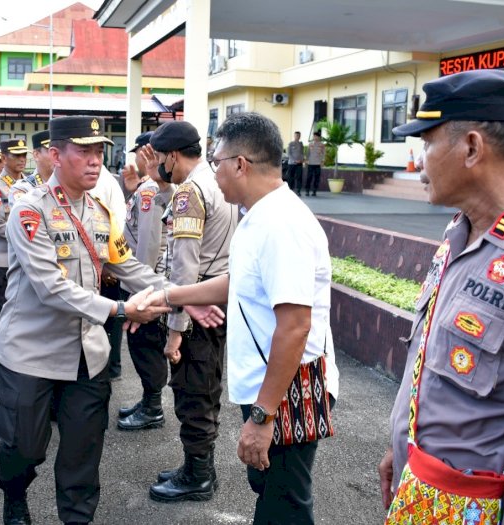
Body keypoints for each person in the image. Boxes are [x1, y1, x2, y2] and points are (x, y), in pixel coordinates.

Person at [377, 69, 504, 524]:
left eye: (427, 142)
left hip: (482, 506)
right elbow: (427, 356)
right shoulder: (461, 232)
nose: (419, 161)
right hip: (423, 490)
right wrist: (402, 444)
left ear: (471, 147)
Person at [139, 112, 340, 523]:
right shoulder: (259, 214)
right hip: (274, 383)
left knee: (283, 505)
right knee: (268, 488)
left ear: (240, 164)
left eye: (216, 163)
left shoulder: (283, 225)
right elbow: (238, 282)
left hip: (290, 386)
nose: (213, 172)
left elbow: (295, 325)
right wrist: (170, 295)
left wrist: (263, 416)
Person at [0, 115, 170, 525]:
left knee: (82, 453)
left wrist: (178, 296)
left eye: (98, 152)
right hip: (30, 354)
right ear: (55, 155)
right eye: (83, 151)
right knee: (25, 449)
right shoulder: (29, 212)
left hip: (86, 356)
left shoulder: (102, 212)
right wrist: (122, 310)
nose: (95, 161)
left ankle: (77, 518)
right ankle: (14, 496)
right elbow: (50, 288)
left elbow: (128, 267)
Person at [147, 120, 238, 503]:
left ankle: (199, 476)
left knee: (192, 390)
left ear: (171, 155)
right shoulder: (214, 182)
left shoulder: (190, 192)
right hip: (218, 299)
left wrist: (174, 329)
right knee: (206, 384)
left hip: (198, 308)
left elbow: (184, 266)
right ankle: (199, 467)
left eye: (160, 159)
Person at [116, 132, 175, 431]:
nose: (135, 158)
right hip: (144, 279)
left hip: (145, 283)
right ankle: (148, 400)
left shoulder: (150, 190)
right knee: (141, 345)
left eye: (138, 152)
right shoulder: (144, 188)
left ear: (147, 152)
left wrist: (142, 289)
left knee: (145, 345)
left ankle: (153, 407)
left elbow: (149, 243)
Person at [0, 139, 27, 338]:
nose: (22, 159)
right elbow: (0, 225)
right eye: (16, 155)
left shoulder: (29, 184)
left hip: (25, 257)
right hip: (3, 258)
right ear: (3, 158)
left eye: (24, 155)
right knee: (2, 306)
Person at [91, 164, 129, 381]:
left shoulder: (103, 182)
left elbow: (117, 223)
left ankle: (111, 366)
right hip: (104, 264)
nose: (92, 160)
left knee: (110, 318)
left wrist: (106, 265)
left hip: (107, 264)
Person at [10, 131, 53, 202]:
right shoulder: (23, 188)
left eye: (61, 151)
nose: (57, 156)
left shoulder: (69, 185)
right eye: (51, 151)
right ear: (36, 155)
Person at [305, 132, 325, 197]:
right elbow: (307, 153)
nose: (315, 138)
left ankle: (314, 191)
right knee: (309, 178)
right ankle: (307, 191)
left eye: (316, 136)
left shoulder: (322, 145)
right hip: (310, 163)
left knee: (316, 178)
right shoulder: (310, 144)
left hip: (318, 164)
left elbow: (323, 154)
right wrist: (306, 160)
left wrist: (322, 161)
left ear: (319, 137)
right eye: (314, 136)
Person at [286, 131, 304, 195]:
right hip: (291, 163)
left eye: (298, 136)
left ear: (300, 136)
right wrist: (294, 160)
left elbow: (302, 153)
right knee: (291, 177)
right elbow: (289, 154)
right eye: (296, 135)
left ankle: (298, 190)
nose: (297, 137)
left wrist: (301, 160)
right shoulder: (291, 144)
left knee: (299, 177)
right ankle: (290, 190)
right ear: (294, 136)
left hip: (299, 163)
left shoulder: (301, 144)